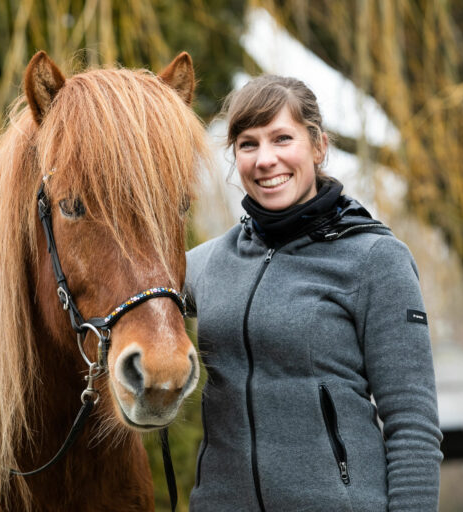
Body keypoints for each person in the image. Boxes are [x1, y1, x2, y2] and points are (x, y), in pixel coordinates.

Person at [184, 75, 443, 511]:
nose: (265, 159)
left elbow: (413, 425)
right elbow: (121, 290)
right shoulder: (207, 263)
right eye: (248, 144)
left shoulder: (376, 260)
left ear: (319, 146)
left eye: (281, 138)